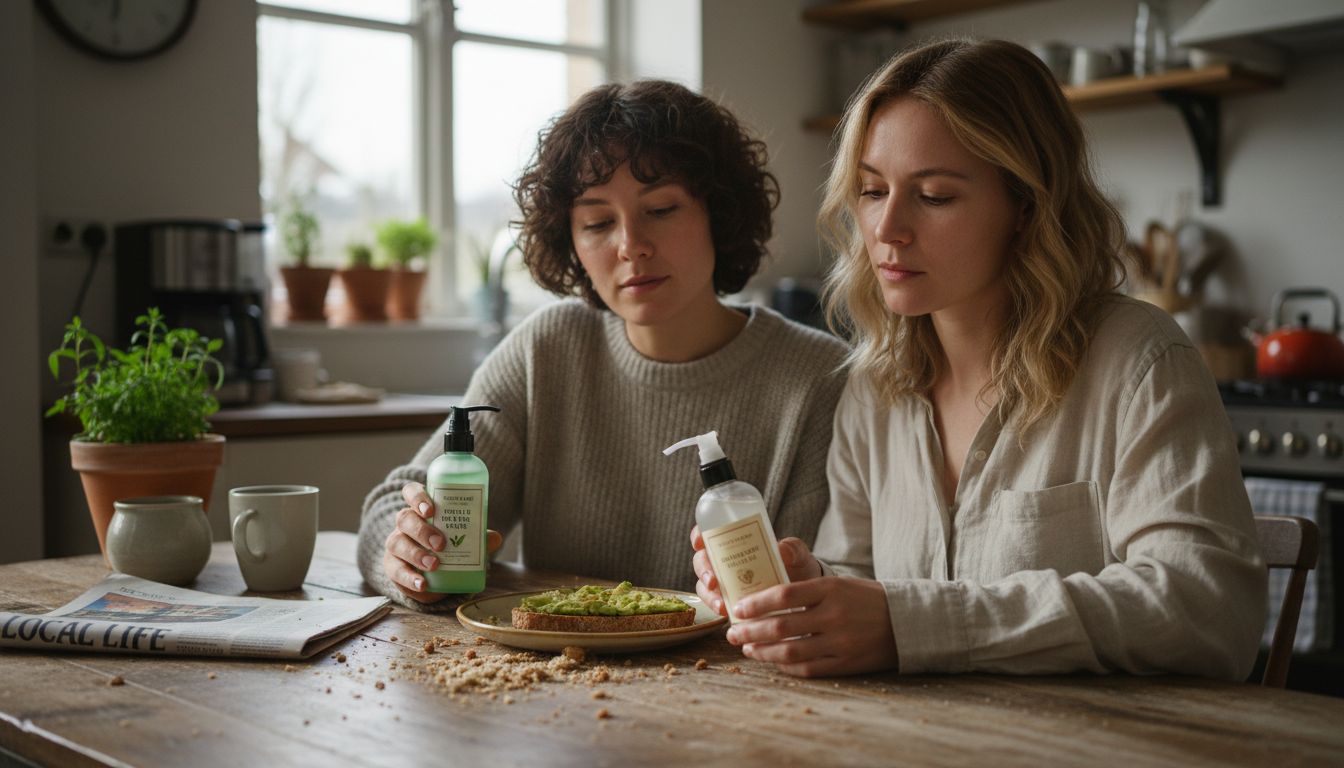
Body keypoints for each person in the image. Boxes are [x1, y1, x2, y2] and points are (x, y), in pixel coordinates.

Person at [691, 39, 1266, 680]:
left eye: (934, 196)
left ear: (1026, 205)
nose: (887, 229)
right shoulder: (874, 385)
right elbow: (863, 579)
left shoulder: (1139, 362)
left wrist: (911, 624)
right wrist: (812, 590)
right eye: (872, 190)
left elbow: (1207, 611)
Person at [358, 79, 850, 609]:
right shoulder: (545, 349)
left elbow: (823, 583)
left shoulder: (820, 379)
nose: (631, 246)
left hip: (735, 680)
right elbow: (393, 505)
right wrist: (411, 557)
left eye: (661, 210)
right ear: (570, 241)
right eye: (597, 222)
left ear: (719, 212)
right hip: (553, 677)